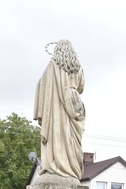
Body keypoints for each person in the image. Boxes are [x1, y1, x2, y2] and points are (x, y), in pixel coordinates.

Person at [33, 39, 86, 180]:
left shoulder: (52, 66)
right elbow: (81, 87)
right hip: (75, 103)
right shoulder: (78, 68)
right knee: (72, 139)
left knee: (56, 134)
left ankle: (56, 165)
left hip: (55, 106)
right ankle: (71, 170)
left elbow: (42, 84)